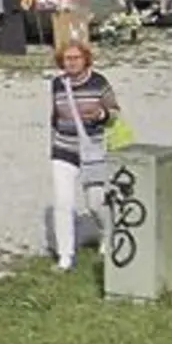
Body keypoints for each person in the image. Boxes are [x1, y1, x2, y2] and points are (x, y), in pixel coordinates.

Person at [49, 40, 119, 271]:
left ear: (85, 59)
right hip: (64, 150)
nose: (71, 63)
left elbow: (114, 114)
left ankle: (107, 234)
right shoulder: (58, 84)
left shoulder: (99, 83)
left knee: (95, 203)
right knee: (63, 203)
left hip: (93, 151)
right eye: (66, 59)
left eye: (76, 58)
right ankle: (65, 256)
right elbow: (55, 117)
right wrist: (54, 143)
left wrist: (100, 114)